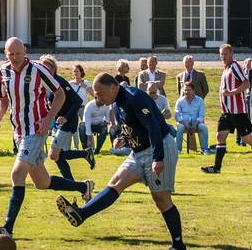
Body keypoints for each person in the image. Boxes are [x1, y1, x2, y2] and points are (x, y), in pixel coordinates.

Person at [55, 72, 186, 250]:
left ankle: (178, 245)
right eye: (96, 95)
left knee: (161, 199)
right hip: (138, 152)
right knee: (116, 182)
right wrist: (124, 137)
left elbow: (154, 125)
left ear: (113, 86)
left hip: (159, 147)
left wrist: (158, 158)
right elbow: (132, 125)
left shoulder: (135, 97)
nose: (98, 99)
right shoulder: (116, 104)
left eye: (100, 94)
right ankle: (81, 214)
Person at [0, 38, 93, 241]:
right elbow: (3, 98)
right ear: (5, 54)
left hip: (36, 130)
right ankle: (83, 187)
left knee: (17, 175)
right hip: (19, 132)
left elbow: (59, 94)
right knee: (42, 182)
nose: (15, 58)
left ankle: (7, 228)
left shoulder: (38, 69)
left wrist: (49, 118)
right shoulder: (3, 71)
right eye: (11, 54)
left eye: (18, 53)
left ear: (24, 51)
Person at [201, 44, 252, 175]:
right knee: (220, 136)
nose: (222, 57)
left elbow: (246, 83)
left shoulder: (235, 66)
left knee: (248, 139)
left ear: (231, 54)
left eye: (225, 54)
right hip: (227, 112)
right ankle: (216, 167)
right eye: (221, 54)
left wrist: (231, 93)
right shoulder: (226, 68)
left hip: (237, 111)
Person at [39, 55, 93, 181]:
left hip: (68, 121)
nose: (42, 69)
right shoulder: (45, 83)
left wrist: (65, 118)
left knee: (53, 154)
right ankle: (71, 181)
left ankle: (85, 154)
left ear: (53, 68)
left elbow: (77, 101)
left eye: (45, 67)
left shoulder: (60, 82)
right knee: (56, 155)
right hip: (57, 122)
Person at [174, 80, 209, 155]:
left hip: (196, 123)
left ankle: (204, 149)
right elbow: (177, 116)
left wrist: (195, 124)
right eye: (185, 90)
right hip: (183, 123)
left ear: (193, 90)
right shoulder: (179, 101)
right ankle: (178, 150)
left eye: (189, 90)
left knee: (204, 127)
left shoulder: (200, 100)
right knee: (179, 127)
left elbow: (201, 116)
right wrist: (185, 124)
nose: (186, 92)